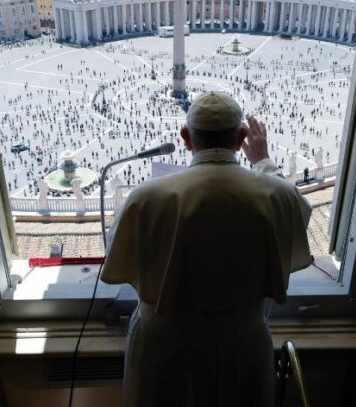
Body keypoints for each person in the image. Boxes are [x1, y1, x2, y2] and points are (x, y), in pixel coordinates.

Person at [100, 91, 312, 407]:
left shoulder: (144, 198)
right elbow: (296, 213)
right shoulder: (276, 194)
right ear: (242, 138)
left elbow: (121, 263)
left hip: (165, 351)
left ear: (185, 138)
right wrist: (264, 161)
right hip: (244, 348)